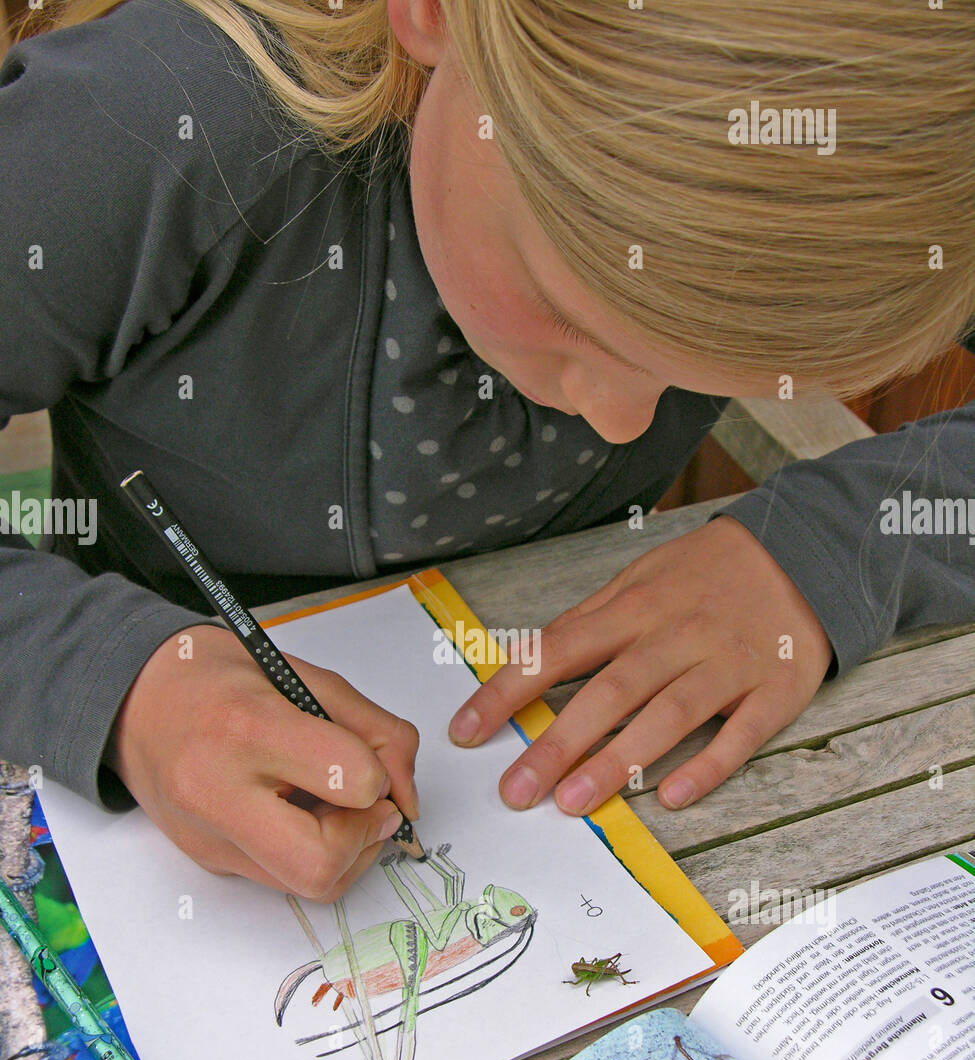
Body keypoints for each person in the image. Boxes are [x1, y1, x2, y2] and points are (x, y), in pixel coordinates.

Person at [1, 0, 973, 901]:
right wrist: (121, 684)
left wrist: (826, 548)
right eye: (569, 316)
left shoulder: (905, 157)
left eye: (708, 374)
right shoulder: (149, 128)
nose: (625, 422)